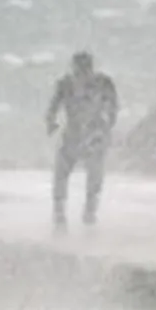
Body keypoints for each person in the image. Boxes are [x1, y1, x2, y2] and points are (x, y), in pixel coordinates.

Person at [45, 51, 119, 231]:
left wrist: (108, 126)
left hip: (94, 134)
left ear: (90, 68)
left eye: (84, 68)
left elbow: (114, 106)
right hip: (73, 133)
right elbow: (53, 107)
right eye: (78, 68)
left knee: (94, 174)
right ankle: (59, 211)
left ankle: (89, 212)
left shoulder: (103, 83)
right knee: (61, 171)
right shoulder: (65, 84)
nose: (81, 73)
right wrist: (51, 122)